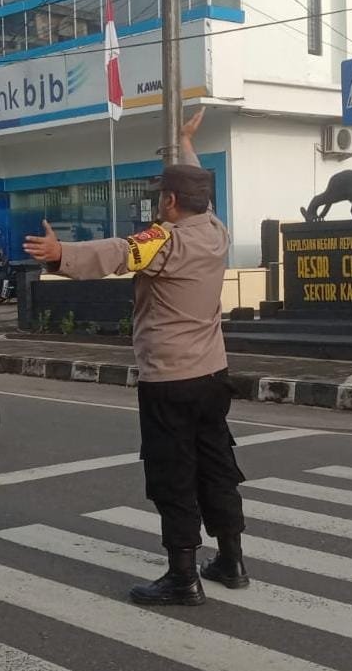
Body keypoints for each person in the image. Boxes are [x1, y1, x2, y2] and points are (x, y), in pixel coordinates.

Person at [25, 108, 246, 607]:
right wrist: (188, 145)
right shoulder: (215, 232)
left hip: (169, 378)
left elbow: (120, 252)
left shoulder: (165, 240)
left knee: (173, 472)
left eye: (163, 197)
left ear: (169, 201)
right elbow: (197, 195)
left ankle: (183, 577)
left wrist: (60, 256)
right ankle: (231, 559)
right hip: (213, 374)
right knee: (217, 464)